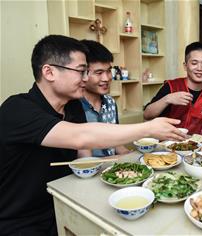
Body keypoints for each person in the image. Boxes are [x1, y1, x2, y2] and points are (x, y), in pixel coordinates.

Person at [0, 35, 185, 236]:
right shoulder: (17, 109)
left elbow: (84, 159)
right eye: (81, 71)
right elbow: (80, 136)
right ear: (49, 72)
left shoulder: (72, 108)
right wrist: (148, 128)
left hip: (65, 201)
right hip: (20, 220)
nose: (86, 78)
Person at [143, 41, 202, 135]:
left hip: (199, 146)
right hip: (168, 144)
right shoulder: (171, 86)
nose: (199, 68)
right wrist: (168, 99)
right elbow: (147, 115)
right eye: (194, 63)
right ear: (185, 66)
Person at [80, 39, 129, 157]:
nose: (106, 78)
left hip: (112, 170)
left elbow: (116, 141)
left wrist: (130, 156)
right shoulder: (74, 106)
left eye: (108, 71)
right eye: (99, 72)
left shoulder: (110, 102)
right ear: (82, 73)